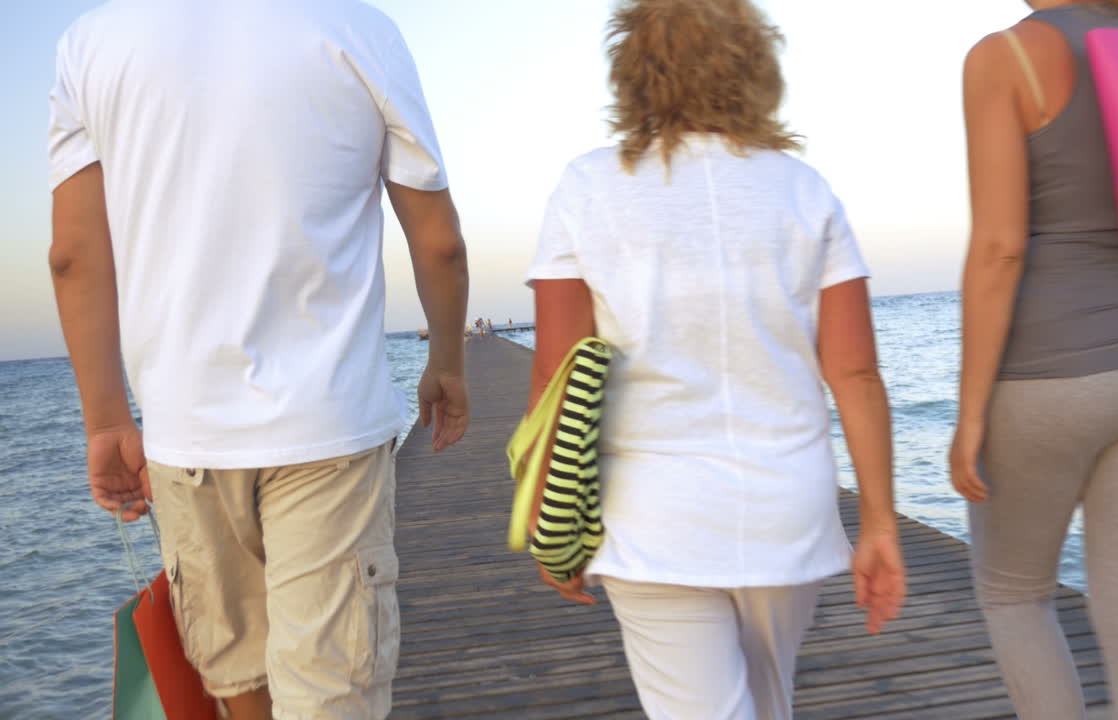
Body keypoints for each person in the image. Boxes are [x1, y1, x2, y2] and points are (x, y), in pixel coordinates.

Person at [47, 1, 470, 718]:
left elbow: (73, 257)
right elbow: (439, 242)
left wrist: (106, 420)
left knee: (240, 688)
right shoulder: (359, 31)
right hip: (328, 431)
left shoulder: (90, 43)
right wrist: (449, 363)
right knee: (331, 695)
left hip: (187, 441)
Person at [525, 2, 904, 718]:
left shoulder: (587, 187)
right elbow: (854, 374)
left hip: (652, 517)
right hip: (786, 511)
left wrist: (556, 522)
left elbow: (556, 374)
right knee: (768, 702)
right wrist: (880, 523)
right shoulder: (805, 192)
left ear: (632, 72)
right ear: (756, 67)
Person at [950, 2, 1118, 718]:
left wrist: (969, 413)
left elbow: (1001, 246)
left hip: (1044, 376)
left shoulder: (1004, 56)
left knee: (1014, 594)